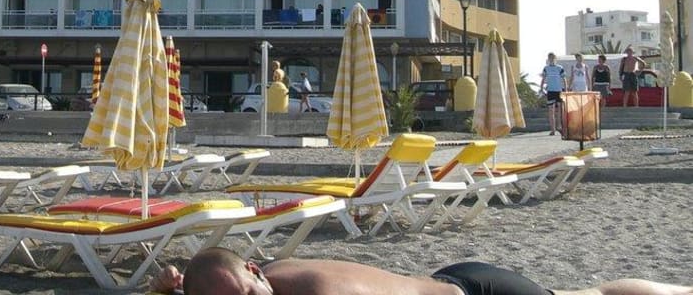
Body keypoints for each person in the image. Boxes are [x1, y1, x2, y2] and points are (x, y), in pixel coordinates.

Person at [149, 247, 693, 295]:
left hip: (479, 292)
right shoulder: (264, 273)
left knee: (592, 294)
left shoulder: (312, 288)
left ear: (254, 269)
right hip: (447, 278)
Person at [539, 52, 566, 136]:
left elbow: (564, 78)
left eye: (553, 58)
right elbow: (543, 78)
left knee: (560, 110)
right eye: (550, 58)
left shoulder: (560, 68)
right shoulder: (546, 68)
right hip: (550, 91)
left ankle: (559, 126)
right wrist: (541, 88)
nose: (551, 59)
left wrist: (566, 89)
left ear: (555, 59)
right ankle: (552, 129)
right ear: (548, 59)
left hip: (558, 90)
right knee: (551, 110)